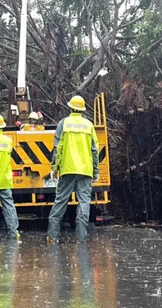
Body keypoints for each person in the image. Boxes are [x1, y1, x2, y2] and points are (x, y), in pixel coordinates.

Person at [47, 95, 99, 244]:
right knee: (84, 203)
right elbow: (94, 150)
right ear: (82, 110)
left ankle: (52, 236)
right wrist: (95, 170)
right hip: (85, 170)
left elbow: (58, 148)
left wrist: (54, 168)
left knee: (61, 201)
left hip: (68, 169)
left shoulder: (63, 124)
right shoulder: (89, 125)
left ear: (70, 108)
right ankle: (81, 238)